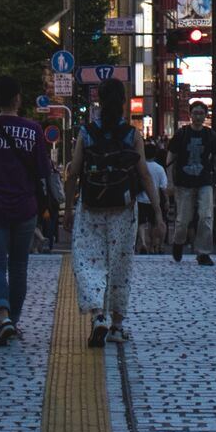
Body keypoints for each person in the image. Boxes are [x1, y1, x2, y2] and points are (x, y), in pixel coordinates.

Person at [63, 78, 162, 347]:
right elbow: (144, 175)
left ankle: (98, 316)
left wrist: (69, 209)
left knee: (87, 261)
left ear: (98, 101)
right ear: (123, 103)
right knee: (120, 266)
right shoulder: (132, 135)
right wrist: (158, 213)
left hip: (91, 207)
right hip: (123, 209)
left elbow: (73, 173)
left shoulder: (86, 133)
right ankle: (117, 326)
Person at [0, 74, 56, 347]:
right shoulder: (32, 131)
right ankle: (13, 321)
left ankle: (3, 317)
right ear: (18, 98)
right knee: (19, 266)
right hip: (25, 208)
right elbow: (43, 172)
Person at [167, 100, 216, 264]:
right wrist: (170, 181)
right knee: (182, 220)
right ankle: (178, 242)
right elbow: (170, 157)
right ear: (190, 115)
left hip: (204, 180)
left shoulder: (210, 135)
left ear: (205, 116)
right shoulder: (181, 133)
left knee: (206, 216)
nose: (198, 117)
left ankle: (203, 252)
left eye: (201, 114)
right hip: (184, 182)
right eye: (195, 113)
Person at [137, 143, 170, 254]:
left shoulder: (140, 166)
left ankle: (143, 242)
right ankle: (154, 244)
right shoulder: (159, 168)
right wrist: (167, 200)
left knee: (141, 223)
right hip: (155, 199)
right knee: (153, 222)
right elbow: (164, 187)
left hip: (140, 198)